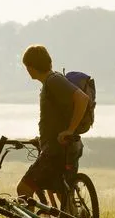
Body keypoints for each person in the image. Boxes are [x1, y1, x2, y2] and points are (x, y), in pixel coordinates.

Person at [16, 45, 89, 203]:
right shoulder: (50, 81)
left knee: (24, 189)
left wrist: (70, 130)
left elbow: (82, 99)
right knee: (60, 192)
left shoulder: (53, 80)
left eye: (27, 66)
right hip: (57, 147)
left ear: (31, 66)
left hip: (57, 149)